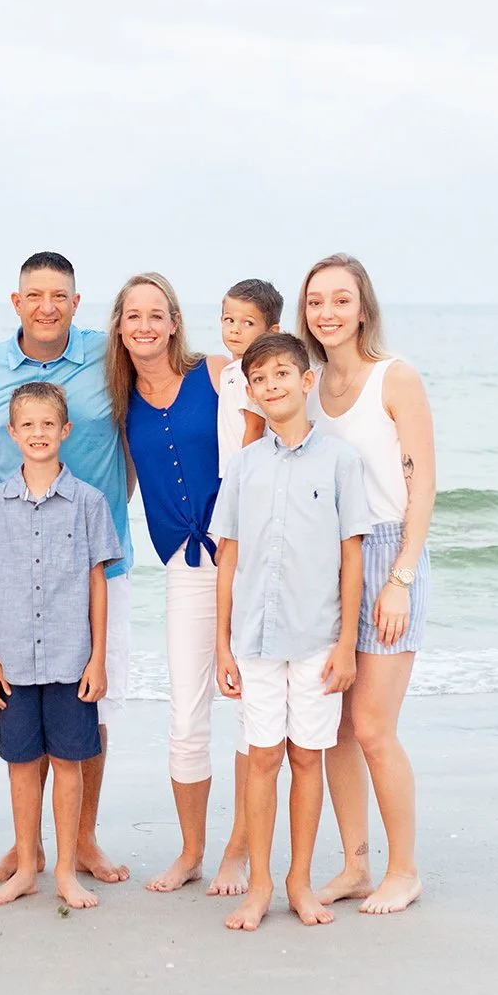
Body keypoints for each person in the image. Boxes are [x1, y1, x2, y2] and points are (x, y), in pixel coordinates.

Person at [0, 252, 133, 887]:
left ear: (77, 303)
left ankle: (79, 845)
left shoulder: (111, 356)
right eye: (35, 294)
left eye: (60, 295)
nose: (47, 305)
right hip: (8, 567)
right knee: (22, 736)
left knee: (90, 719)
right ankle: (24, 851)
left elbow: (163, 397)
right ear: (16, 301)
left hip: (92, 567)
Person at [212, 333, 371, 932]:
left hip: (317, 640)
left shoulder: (340, 462)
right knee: (261, 759)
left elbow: (351, 555)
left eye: (283, 374)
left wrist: (347, 644)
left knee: (307, 759)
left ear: (306, 382)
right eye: (260, 379)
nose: (272, 385)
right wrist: (221, 643)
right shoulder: (245, 466)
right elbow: (227, 556)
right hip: (252, 640)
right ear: (250, 392)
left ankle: (300, 881)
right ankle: (258, 886)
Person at [301, 253, 437, 914]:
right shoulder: (310, 384)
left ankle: (403, 869)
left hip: (388, 556)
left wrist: (401, 579)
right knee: (337, 729)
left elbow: (422, 487)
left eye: (340, 300)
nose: (327, 312)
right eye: (316, 301)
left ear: (363, 308)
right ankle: (356, 865)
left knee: (376, 727)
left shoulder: (396, 378)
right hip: (332, 564)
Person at [110, 272, 249, 895]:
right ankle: (192, 852)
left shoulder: (217, 375)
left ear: (173, 322)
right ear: (119, 326)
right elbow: (124, 483)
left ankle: (239, 853)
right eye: (132, 315)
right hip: (184, 569)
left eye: (155, 314)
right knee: (187, 715)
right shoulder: (119, 399)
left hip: (245, 558)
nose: (144, 325)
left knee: (253, 709)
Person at [0, 381, 122, 913]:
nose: (37, 433)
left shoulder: (89, 503)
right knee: (22, 764)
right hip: (13, 663)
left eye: (47, 424)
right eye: (27, 425)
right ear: (11, 433)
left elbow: (98, 581)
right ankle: (26, 866)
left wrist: (98, 657)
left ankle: (64, 872)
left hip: (71, 658)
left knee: (70, 762)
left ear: (65, 431)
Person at [217, 279, 281, 471]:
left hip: (247, 470)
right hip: (232, 469)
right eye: (229, 320)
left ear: (271, 332)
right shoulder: (232, 370)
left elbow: (255, 425)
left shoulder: (253, 372)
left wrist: (243, 473)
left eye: (248, 323)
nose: (235, 329)